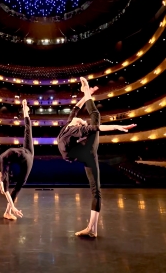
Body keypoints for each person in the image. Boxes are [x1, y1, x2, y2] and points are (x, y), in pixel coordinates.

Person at [57, 77, 136, 237]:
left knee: (96, 116)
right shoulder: (69, 124)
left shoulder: (78, 130)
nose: (82, 119)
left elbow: (98, 126)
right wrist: (86, 95)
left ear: (79, 125)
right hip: (77, 153)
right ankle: (92, 230)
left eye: (82, 122)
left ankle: (92, 229)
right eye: (81, 120)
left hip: (86, 153)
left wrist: (118, 126)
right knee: (94, 114)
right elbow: (76, 108)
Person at [0, 99, 34, 220]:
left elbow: (27, 127)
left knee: (28, 130)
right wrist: (13, 207)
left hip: (27, 151)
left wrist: (24, 109)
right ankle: (7, 212)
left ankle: (25, 110)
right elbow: (6, 190)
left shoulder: (3, 161)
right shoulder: (4, 166)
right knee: (18, 186)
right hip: (27, 160)